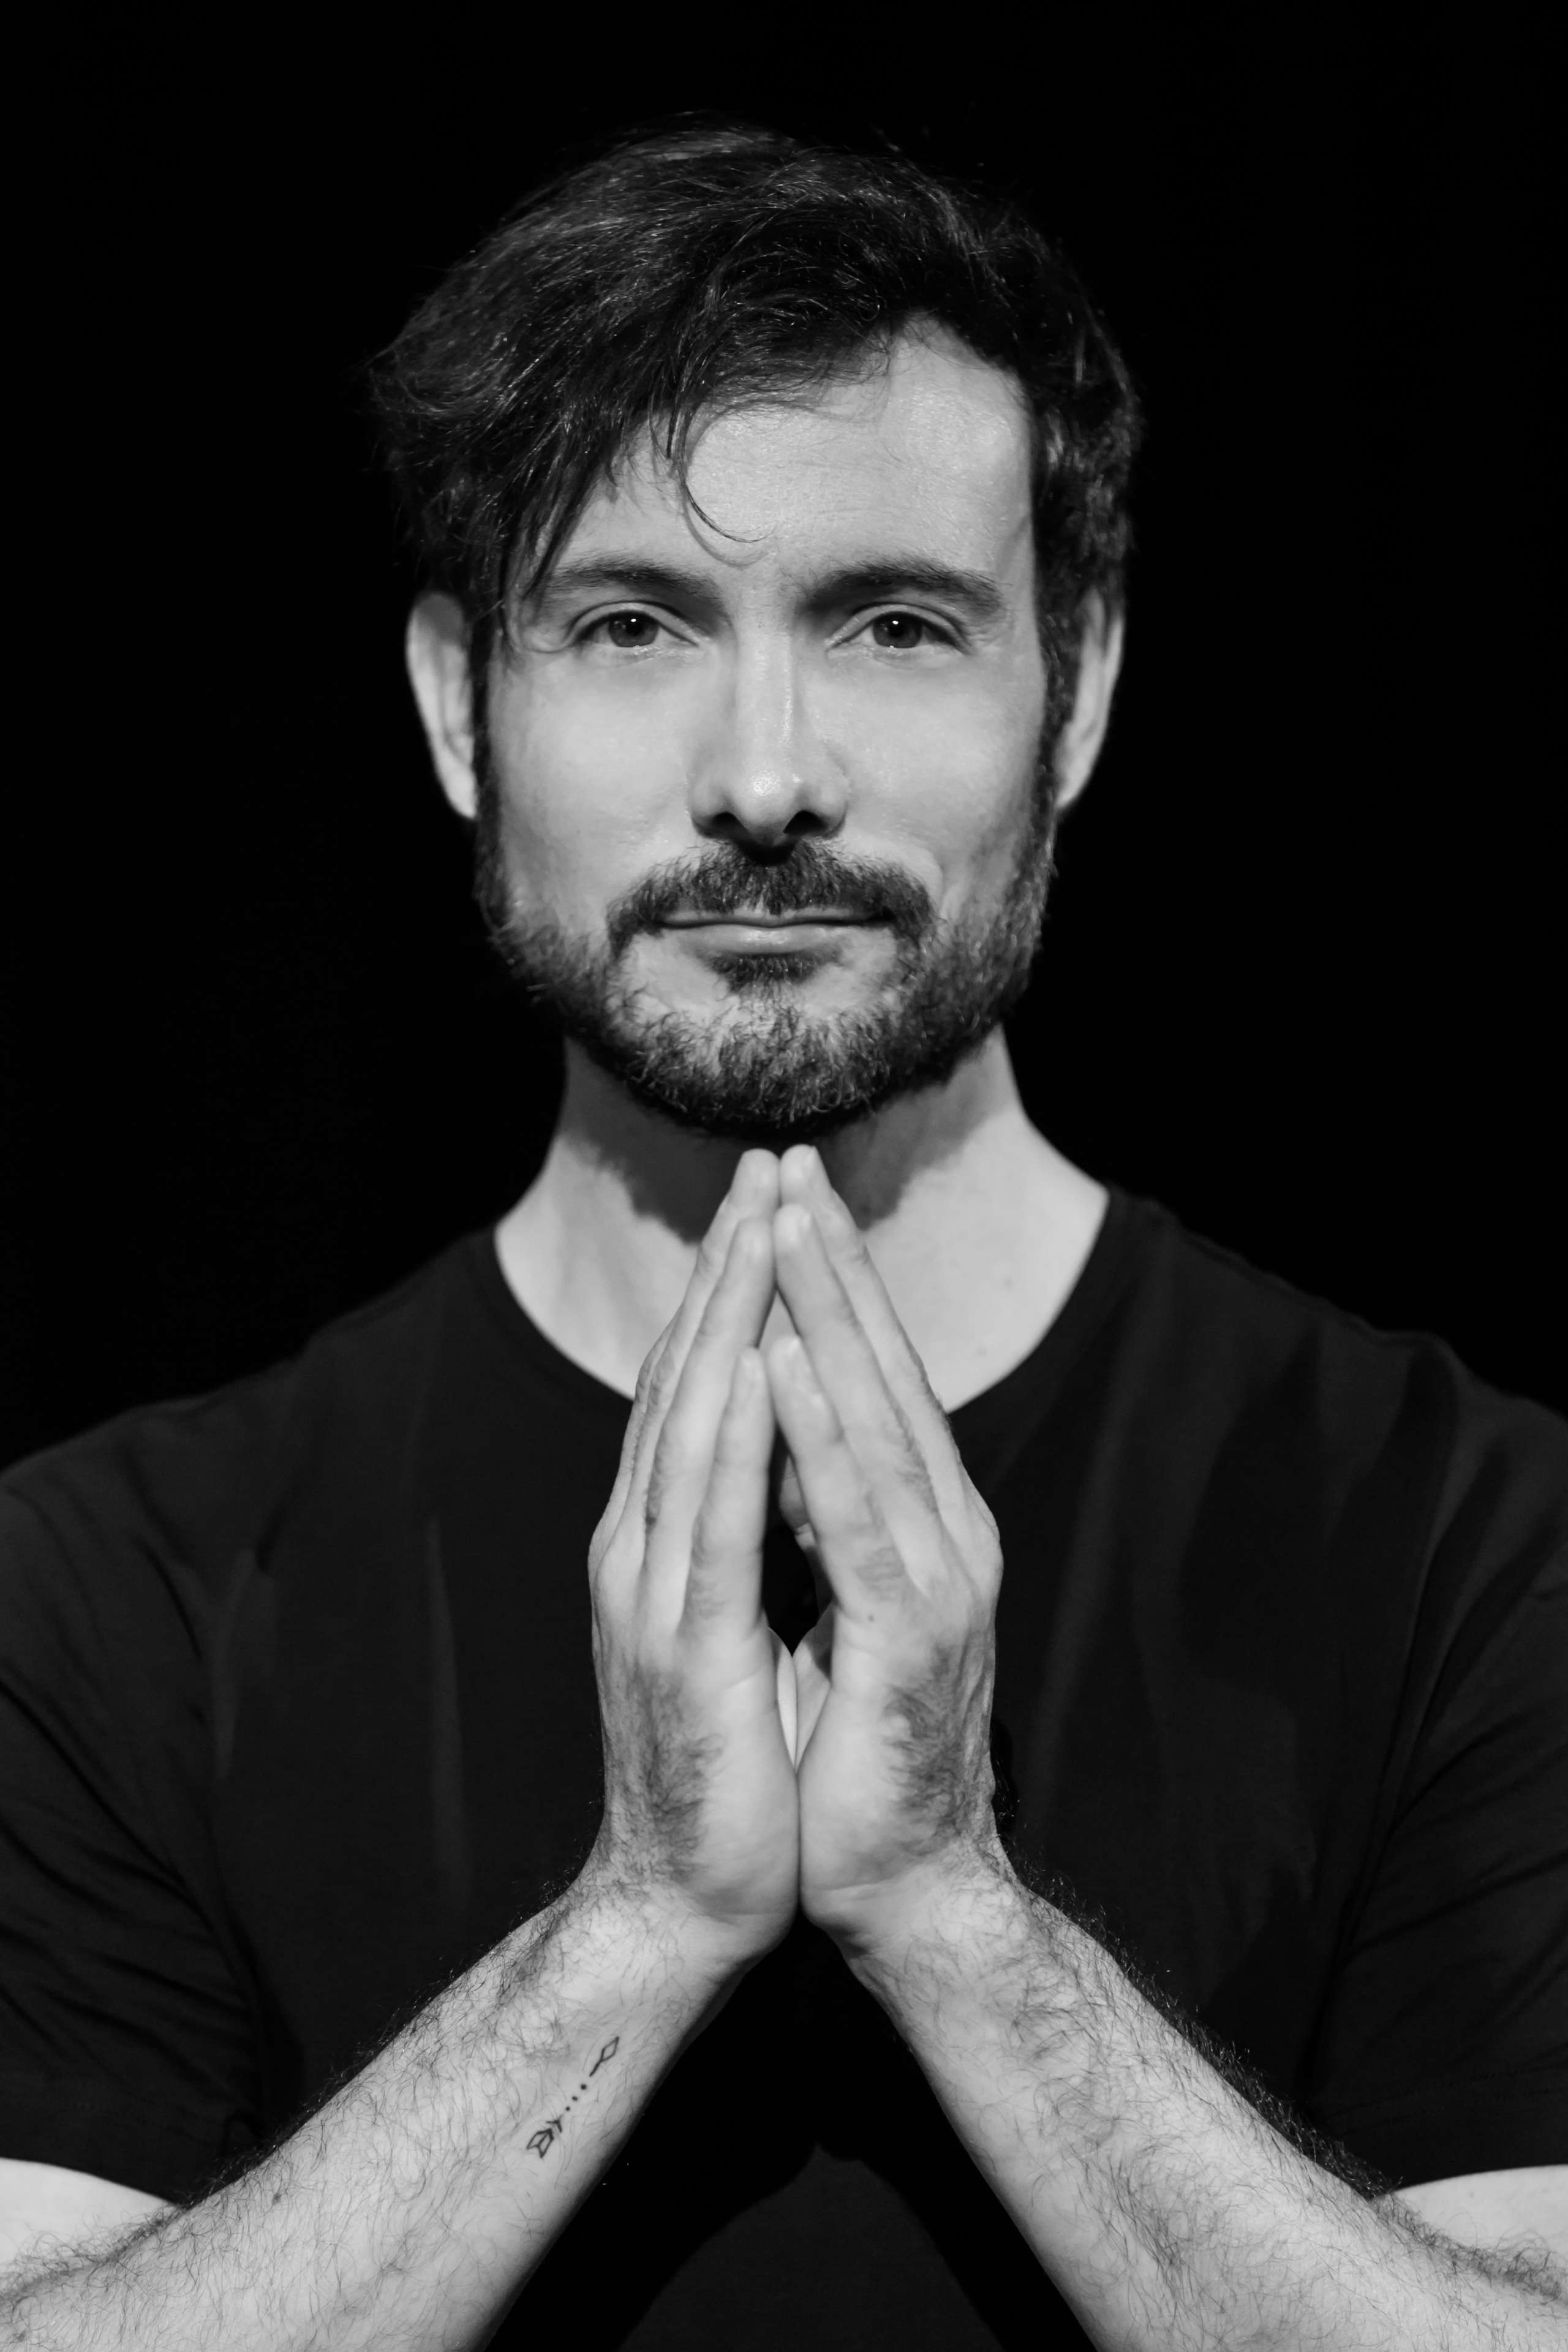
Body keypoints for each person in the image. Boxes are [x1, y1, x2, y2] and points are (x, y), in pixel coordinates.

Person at [1, 118, 1563, 2351]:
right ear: (455, 705)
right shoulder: (107, 1590)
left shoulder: (1469, 1542)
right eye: (632, 623)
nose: (764, 778)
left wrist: (953, 1916)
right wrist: (637, 1928)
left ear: (1081, 689)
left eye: (896, 624)